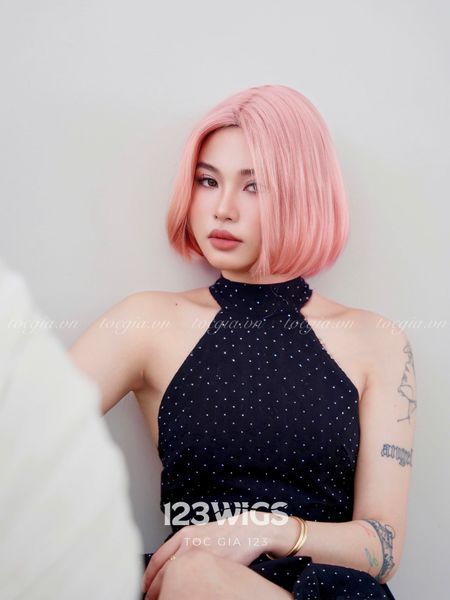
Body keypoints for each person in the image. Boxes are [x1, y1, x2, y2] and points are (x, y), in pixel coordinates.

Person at [69, 84, 417, 599]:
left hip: (326, 589)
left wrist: (263, 530)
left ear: (302, 194)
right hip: (190, 585)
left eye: (254, 186)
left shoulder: (377, 342)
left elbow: (382, 550)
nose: (223, 209)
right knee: (190, 575)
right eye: (208, 181)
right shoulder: (146, 323)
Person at [0, 256, 143, 600]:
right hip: (191, 575)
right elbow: (37, 433)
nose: (223, 220)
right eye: (206, 195)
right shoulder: (146, 320)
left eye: (253, 196)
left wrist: (273, 530)